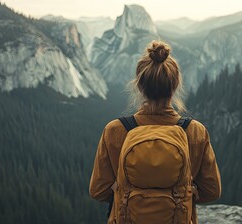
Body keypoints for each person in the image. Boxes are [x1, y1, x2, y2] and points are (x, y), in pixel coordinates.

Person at [89, 40, 221, 224]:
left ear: (140, 86)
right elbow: (212, 190)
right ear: (175, 86)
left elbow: (98, 190)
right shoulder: (195, 132)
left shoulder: (115, 131)